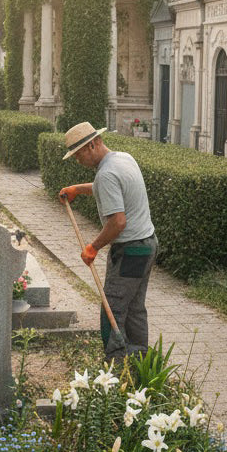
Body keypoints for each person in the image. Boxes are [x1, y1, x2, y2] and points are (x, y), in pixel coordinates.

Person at [58, 122, 157, 359]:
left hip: (130, 251)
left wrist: (93, 247)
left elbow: (118, 222)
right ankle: (140, 362)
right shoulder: (122, 158)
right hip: (147, 244)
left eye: (78, 155)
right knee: (134, 309)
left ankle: (116, 368)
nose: (77, 161)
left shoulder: (107, 174)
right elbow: (107, 188)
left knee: (112, 309)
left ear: (92, 145)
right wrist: (76, 189)